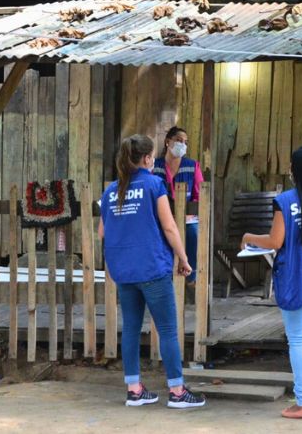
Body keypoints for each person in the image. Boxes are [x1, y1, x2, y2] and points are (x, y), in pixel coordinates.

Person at [98, 134, 207, 409]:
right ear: (147, 159)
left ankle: (134, 390)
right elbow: (170, 227)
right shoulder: (153, 184)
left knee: (132, 329)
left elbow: (102, 232)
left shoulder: (111, 190)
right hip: (152, 268)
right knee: (168, 329)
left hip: (124, 271)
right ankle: (178, 392)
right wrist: (183, 258)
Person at [241, 146, 302, 419]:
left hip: (295, 280)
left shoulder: (285, 201)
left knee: (297, 338)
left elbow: (275, 242)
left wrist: (250, 236)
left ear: (296, 171)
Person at [153, 126, 205, 284]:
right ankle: (161, 275)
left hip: (187, 217)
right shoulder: (154, 165)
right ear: (168, 142)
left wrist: (189, 212)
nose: (183, 144)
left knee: (193, 234)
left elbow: (199, 195)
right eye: (179, 141)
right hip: (161, 217)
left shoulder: (192, 165)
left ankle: (191, 277)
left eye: (185, 142)